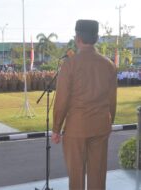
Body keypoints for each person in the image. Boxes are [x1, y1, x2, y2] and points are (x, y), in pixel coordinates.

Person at [52, 19, 117, 190]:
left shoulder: (70, 64)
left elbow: (62, 100)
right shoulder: (108, 64)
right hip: (101, 126)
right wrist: (108, 122)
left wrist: (56, 128)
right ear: (96, 38)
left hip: (77, 128)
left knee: (76, 176)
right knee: (98, 174)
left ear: (78, 38)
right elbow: (112, 100)